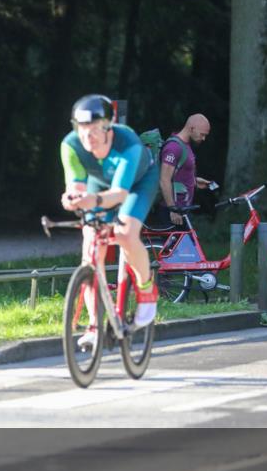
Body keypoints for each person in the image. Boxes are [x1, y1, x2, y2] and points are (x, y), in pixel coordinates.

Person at [61, 94, 160, 349]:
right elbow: (77, 186)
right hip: (99, 184)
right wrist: (73, 198)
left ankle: (146, 288)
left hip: (137, 183)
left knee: (126, 233)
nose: (87, 137)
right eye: (81, 129)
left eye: (94, 130)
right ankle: (95, 323)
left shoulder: (128, 143)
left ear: (108, 127)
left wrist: (90, 200)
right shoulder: (70, 145)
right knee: (91, 247)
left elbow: (119, 195)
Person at [158, 114, 218, 227]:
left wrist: (194, 181)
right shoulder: (173, 147)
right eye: (202, 134)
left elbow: (178, 173)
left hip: (183, 210)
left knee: (186, 244)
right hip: (173, 212)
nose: (204, 138)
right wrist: (173, 209)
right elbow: (164, 179)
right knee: (181, 245)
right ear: (191, 128)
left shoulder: (185, 145)